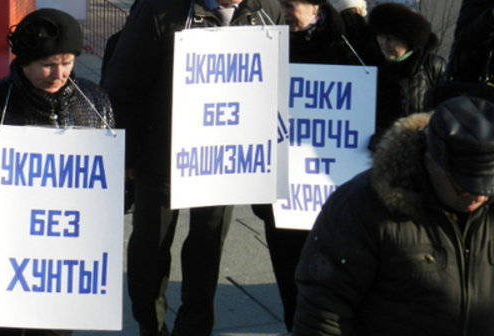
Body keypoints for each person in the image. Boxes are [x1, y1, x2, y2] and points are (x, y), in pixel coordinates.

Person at [102, 1, 284, 335]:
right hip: (162, 152)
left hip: (226, 156)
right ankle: (150, 323)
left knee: (209, 242)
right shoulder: (161, 9)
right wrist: (127, 154)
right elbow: (124, 82)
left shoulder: (266, 9)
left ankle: (195, 325)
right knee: (151, 244)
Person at [0, 8, 114, 336]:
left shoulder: (95, 103)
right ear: (24, 60)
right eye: (48, 64)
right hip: (2, 268)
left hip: (63, 269)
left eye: (67, 62)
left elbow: (105, 189)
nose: (58, 73)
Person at [292, 95, 494, 336]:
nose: (477, 197)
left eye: (487, 188)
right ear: (431, 162)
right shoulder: (361, 206)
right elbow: (323, 309)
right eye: (462, 186)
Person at [252, 0, 376, 332]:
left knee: (334, 284)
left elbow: (380, 93)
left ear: (315, 5)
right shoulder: (264, 35)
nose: (283, 11)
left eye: (290, 5)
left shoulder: (350, 39)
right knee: (289, 279)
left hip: (334, 190)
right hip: (282, 191)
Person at [368, 2, 446, 137]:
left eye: (391, 39)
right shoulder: (372, 67)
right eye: (381, 37)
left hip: (421, 145)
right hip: (380, 148)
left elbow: (445, 109)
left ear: (408, 41)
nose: (384, 44)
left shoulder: (431, 65)